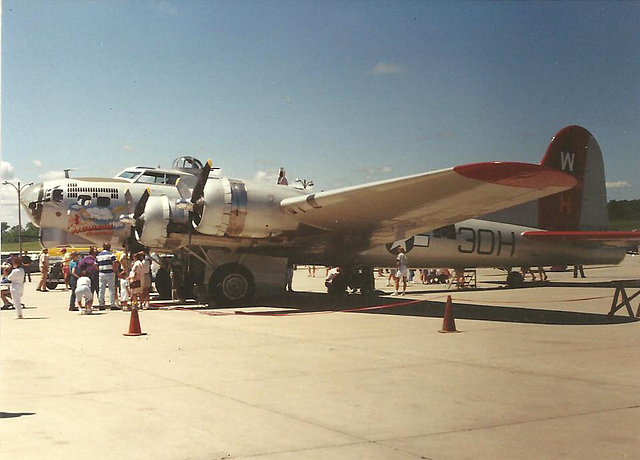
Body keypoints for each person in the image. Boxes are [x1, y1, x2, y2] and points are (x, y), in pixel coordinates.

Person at [97, 243, 117, 310]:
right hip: (110, 272)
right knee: (111, 289)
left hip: (101, 273)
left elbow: (95, 264)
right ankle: (112, 304)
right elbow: (114, 263)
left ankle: (101, 304)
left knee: (101, 289)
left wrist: (99, 269)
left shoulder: (99, 255)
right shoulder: (111, 254)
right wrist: (114, 270)